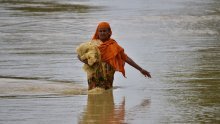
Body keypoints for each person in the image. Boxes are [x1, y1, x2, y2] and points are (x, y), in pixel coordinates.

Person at [78, 22, 151, 90]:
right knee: (92, 93)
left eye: (104, 31)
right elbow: (79, 56)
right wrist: (87, 62)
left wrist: (140, 69)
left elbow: (125, 58)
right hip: (93, 74)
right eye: (100, 31)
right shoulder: (92, 45)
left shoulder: (114, 45)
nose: (102, 33)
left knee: (107, 92)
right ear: (97, 32)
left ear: (109, 32)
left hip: (108, 75)